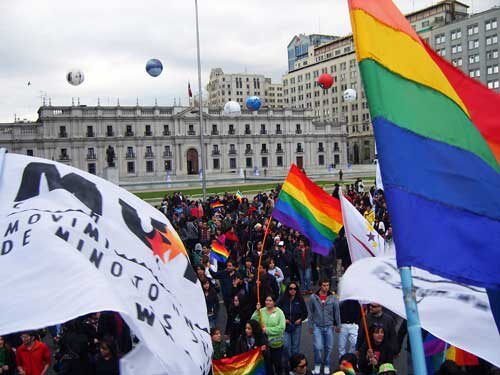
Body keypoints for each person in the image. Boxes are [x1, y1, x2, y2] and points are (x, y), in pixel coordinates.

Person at [308, 278, 341, 375]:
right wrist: (310, 325)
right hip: (317, 326)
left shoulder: (333, 297)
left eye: (327, 285)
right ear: (320, 286)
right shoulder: (313, 297)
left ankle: (326, 364)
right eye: (324, 285)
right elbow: (310, 312)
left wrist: (338, 325)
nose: (326, 287)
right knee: (318, 347)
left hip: (329, 326)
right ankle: (317, 364)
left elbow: (337, 312)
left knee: (329, 347)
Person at [252, 295, 286, 375]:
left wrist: (267, 330)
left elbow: (281, 328)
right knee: (267, 365)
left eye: (270, 300)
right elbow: (252, 322)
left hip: (276, 344)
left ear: (274, 302)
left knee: (278, 364)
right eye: (267, 300)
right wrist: (257, 311)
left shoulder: (279, 312)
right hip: (264, 344)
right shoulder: (261, 311)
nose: (268, 302)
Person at [278, 282, 308, 360]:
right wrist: (283, 320)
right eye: (290, 288)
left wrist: (300, 319)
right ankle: (288, 363)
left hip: (296, 325)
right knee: (286, 346)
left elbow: (305, 313)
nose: (292, 290)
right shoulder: (282, 300)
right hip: (285, 326)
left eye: (295, 289)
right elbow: (277, 311)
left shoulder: (300, 299)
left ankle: (294, 365)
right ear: (288, 289)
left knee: (295, 347)